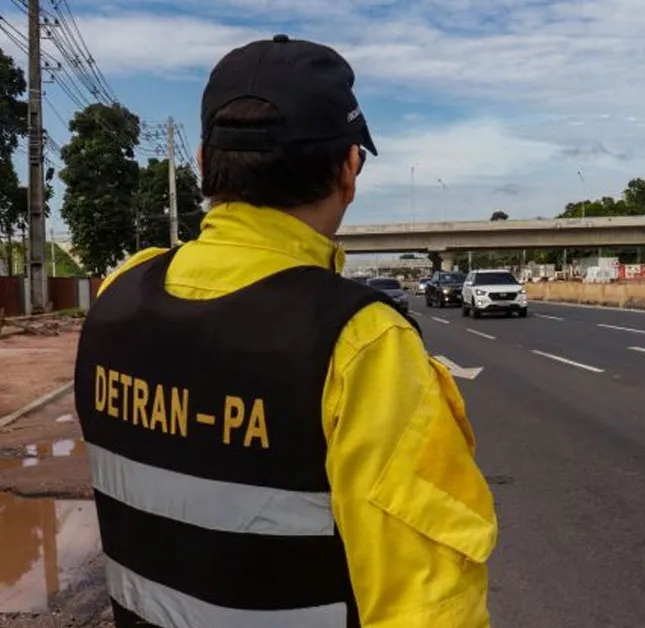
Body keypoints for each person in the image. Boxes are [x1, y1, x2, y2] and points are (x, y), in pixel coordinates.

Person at [74, 35, 496, 628]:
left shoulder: (120, 290)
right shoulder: (362, 344)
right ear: (350, 169)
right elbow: (424, 609)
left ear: (201, 162)